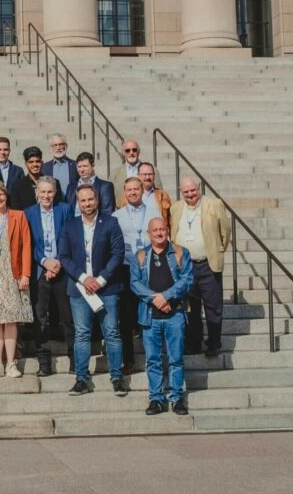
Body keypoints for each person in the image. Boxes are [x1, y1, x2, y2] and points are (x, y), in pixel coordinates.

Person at [58, 184, 127, 397]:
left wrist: (100, 279)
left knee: (112, 333)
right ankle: (81, 379)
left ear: (96, 200)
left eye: (90, 199)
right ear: (78, 202)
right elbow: (64, 257)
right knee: (82, 334)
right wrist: (83, 278)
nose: (87, 204)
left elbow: (118, 253)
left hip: (106, 288)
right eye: (83, 201)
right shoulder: (69, 225)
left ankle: (117, 377)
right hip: (80, 289)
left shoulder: (111, 223)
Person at [131, 217, 194, 416]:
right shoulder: (140, 256)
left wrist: (166, 297)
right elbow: (135, 283)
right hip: (150, 316)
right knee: (153, 360)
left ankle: (176, 398)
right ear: (149, 233)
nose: (159, 233)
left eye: (162, 229)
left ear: (167, 230)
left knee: (175, 358)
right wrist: (155, 299)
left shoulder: (181, 253)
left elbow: (187, 280)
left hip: (175, 314)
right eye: (155, 230)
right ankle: (156, 399)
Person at [170, 176, 231, 358]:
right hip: (186, 267)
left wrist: (217, 250)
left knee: (213, 306)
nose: (190, 195)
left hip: (207, 264)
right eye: (186, 192)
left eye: (193, 190)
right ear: (182, 192)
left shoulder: (214, 204)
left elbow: (225, 232)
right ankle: (194, 343)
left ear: (199, 188)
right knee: (191, 307)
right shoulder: (176, 208)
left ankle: (214, 343)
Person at [0, 181, 33, 378]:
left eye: (0, 194)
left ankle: (11, 363)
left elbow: (26, 245)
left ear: (6, 195)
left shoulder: (18, 216)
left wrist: (25, 273)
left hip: (12, 273)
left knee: (10, 320)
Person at [24, 176, 73, 376]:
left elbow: (69, 236)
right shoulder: (28, 213)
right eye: (42, 192)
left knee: (68, 317)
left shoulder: (65, 209)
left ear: (55, 192)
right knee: (40, 318)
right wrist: (45, 262)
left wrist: (58, 262)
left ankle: (74, 359)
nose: (46, 196)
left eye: (50, 192)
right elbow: (29, 244)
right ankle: (43, 361)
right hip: (40, 271)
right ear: (36, 192)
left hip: (62, 270)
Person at [112, 177, 162, 374]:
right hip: (127, 268)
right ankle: (129, 360)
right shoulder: (117, 215)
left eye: (136, 189)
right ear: (124, 193)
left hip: (150, 267)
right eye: (129, 190)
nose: (133, 192)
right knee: (126, 317)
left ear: (142, 190)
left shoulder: (153, 212)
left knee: (152, 313)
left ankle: (154, 358)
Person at [116, 162, 172, 231]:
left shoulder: (163, 195)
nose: (148, 177)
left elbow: (169, 222)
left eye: (150, 174)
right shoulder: (128, 198)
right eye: (145, 174)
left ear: (154, 176)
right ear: (138, 175)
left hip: (157, 236)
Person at [9, 146, 45, 210]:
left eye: (37, 161)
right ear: (25, 164)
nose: (35, 164)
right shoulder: (17, 186)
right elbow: (16, 212)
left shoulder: (54, 183)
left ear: (42, 163)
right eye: (31, 162)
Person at [43, 133, 78, 199]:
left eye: (61, 144)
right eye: (55, 145)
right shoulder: (45, 167)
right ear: (50, 148)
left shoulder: (75, 165)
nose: (58, 148)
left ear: (66, 146)